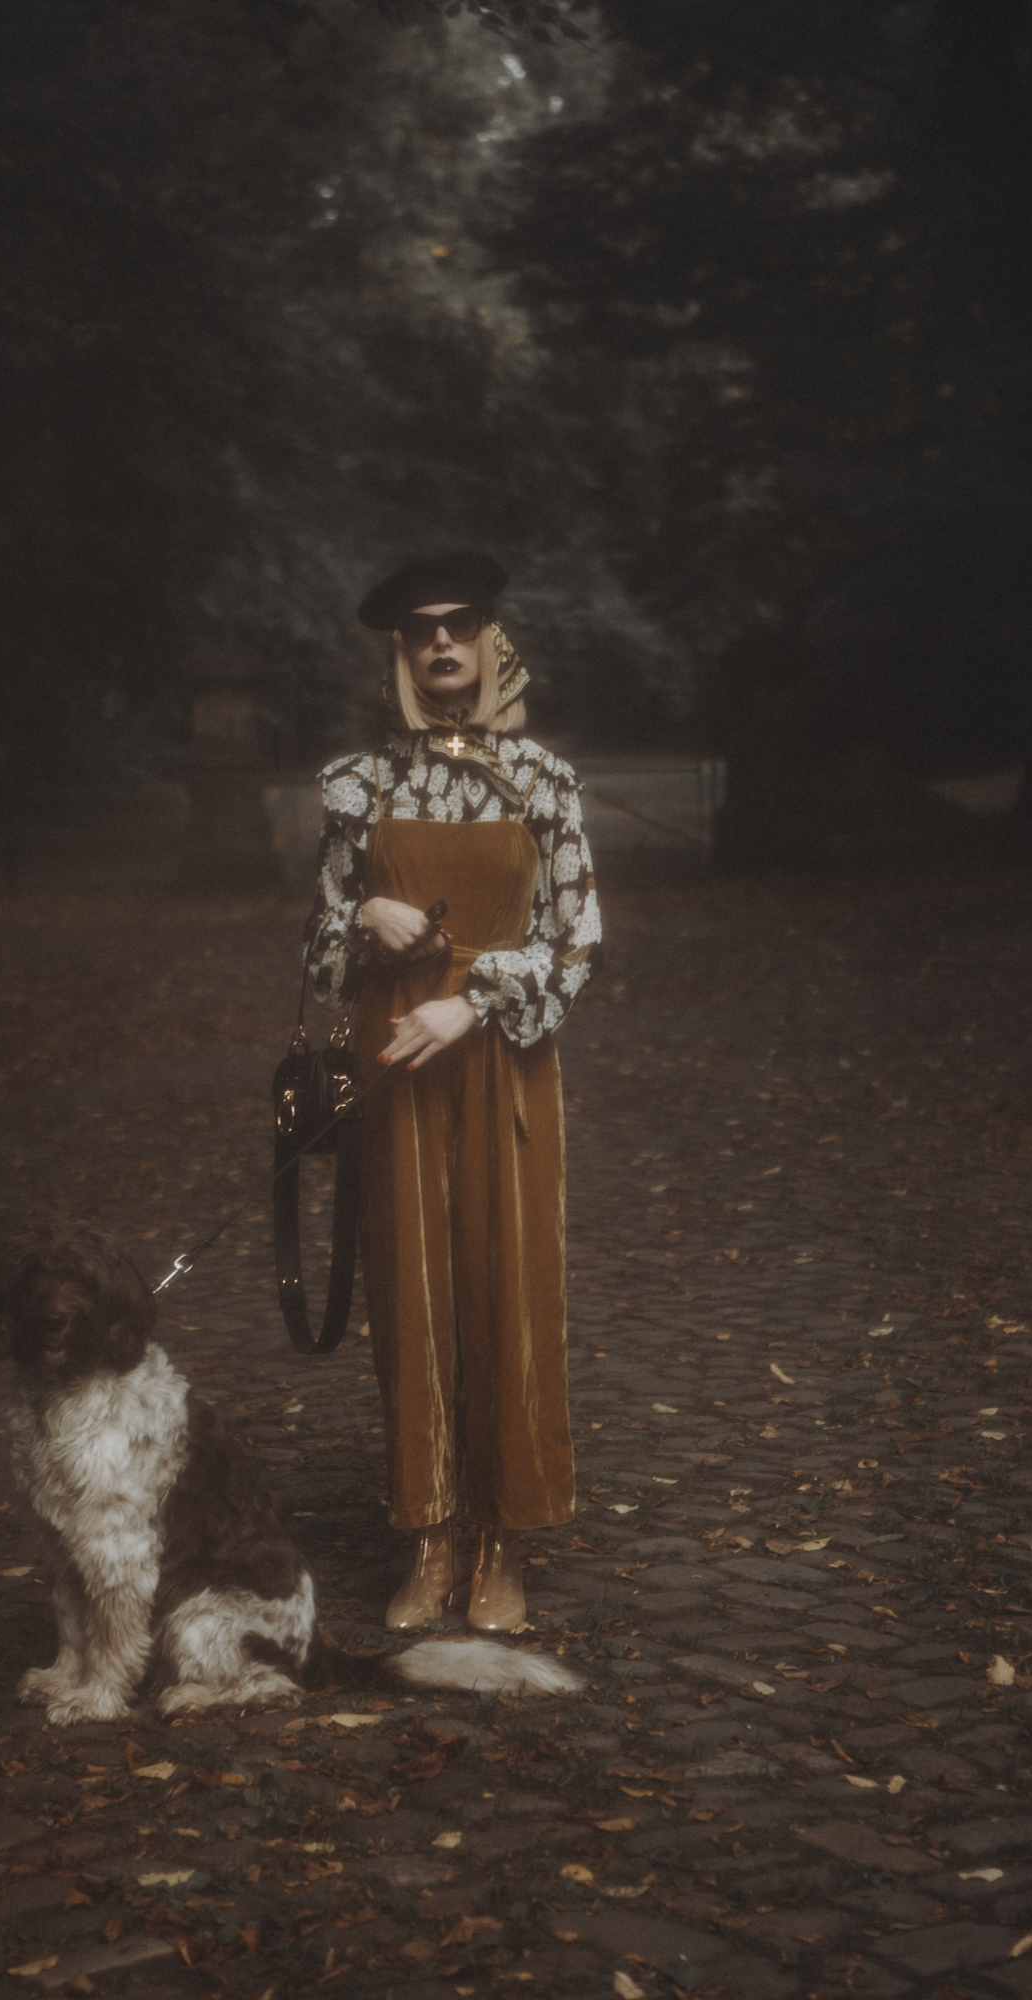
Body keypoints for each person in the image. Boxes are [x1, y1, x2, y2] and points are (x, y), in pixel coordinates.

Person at [304, 551, 601, 1631]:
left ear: (489, 641)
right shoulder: (357, 784)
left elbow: (577, 941)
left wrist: (471, 1001)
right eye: (421, 628)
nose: (441, 641)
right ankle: (428, 1537)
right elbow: (317, 948)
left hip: (500, 1055)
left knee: (507, 1287)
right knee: (411, 1293)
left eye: (460, 623)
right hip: (395, 1062)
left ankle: (502, 1541)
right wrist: (361, 917)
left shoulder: (544, 781)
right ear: (400, 650)